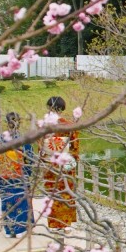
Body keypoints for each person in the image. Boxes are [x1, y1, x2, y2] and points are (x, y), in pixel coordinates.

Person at [41, 96, 79, 230]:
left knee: (53, 193)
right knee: (66, 192)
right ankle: (66, 223)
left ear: (48, 108)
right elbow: (75, 147)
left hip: (50, 164)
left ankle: (54, 224)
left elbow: (41, 148)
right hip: (66, 164)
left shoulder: (44, 126)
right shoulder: (69, 125)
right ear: (62, 109)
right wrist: (73, 161)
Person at [0, 112, 34, 236]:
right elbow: (29, 159)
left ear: (7, 123)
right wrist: (28, 174)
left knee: (7, 202)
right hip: (20, 176)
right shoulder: (23, 139)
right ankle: (20, 230)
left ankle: (9, 230)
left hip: (4, 176)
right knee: (21, 201)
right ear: (19, 123)